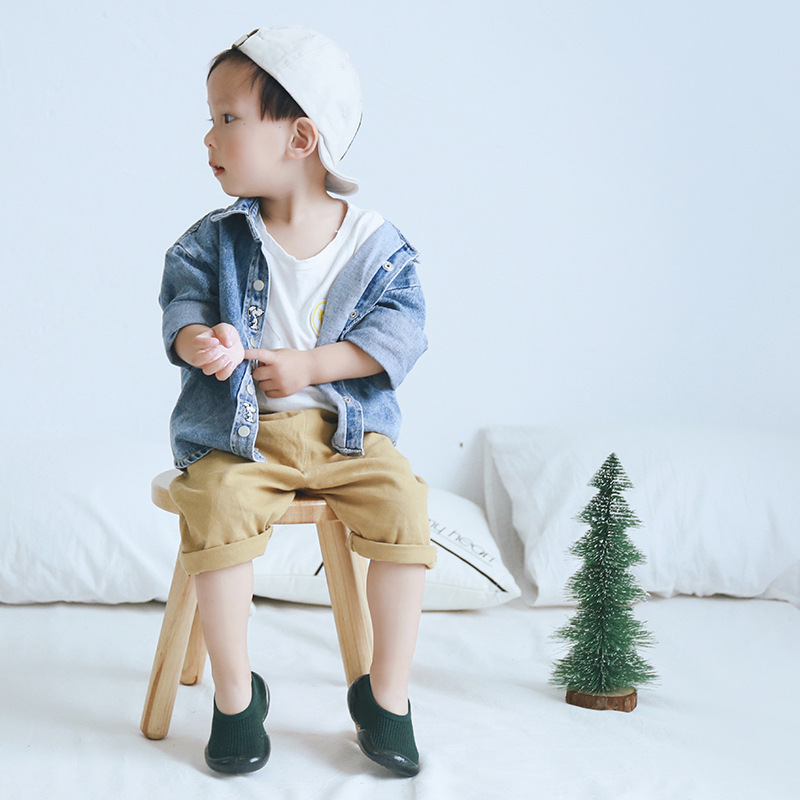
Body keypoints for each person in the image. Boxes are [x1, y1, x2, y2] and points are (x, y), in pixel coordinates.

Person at [158, 25, 435, 778]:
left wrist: (315, 363)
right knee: (213, 508)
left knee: (405, 507)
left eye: (228, 118)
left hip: (348, 438)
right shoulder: (212, 242)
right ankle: (237, 697)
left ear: (301, 137)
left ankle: (388, 696)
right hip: (242, 439)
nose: (209, 135)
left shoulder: (374, 244)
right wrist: (203, 344)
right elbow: (181, 310)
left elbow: (400, 333)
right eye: (212, 117)